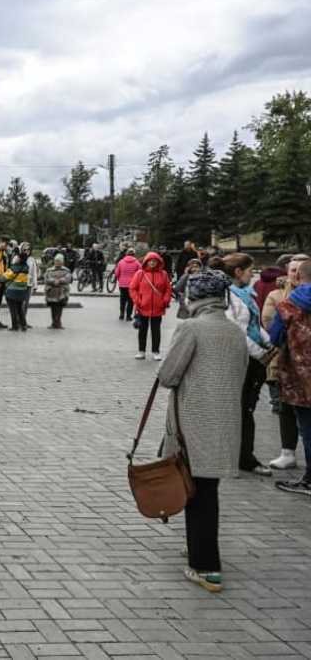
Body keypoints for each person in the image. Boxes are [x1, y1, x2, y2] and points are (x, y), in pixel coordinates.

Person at [157, 269, 248, 593]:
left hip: (193, 424)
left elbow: (167, 375)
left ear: (193, 297)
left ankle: (206, 566)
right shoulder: (236, 332)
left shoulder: (191, 328)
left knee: (197, 493)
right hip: (224, 424)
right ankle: (198, 545)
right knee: (206, 489)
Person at [207, 254, 274, 477]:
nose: (251, 275)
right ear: (238, 272)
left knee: (245, 409)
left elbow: (254, 325)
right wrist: (261, 353)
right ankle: (242, 457)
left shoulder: (245, 295)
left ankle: (240, 455)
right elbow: (235, 331)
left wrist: (268, 342)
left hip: (252, 359)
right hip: (240, 361)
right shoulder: (229, 296)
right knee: (242, 410)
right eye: (249, 271)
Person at [270, 258, 311, 496]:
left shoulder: (288, 305)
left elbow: (275, 337)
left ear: (296, 278)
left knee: (307, 426)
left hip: (300, 376)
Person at [130, 251, 173, 360]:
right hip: (143, 307)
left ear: (158, 262)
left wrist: (165, 300)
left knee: (156, 330)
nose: (152, 263)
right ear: (146, 262)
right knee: (142, 330)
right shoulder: (140, 274)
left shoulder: (163, 274)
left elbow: (168, 289)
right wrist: (138, 300)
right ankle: (141, 351)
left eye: (154, 261)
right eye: (150, 261)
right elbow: (133, 288)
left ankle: (156, 351)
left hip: (158, 307)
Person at [0, 254, 30, 331]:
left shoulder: (14, 268)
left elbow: (4, 278)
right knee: (20, 309)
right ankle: (24, 325)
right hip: (22, 291)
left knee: (13, 310)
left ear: (19, 259)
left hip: (12, 291)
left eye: (17, 257)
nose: (15, 258)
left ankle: (15, 326)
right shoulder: (26, 268)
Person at [43, 253, 72, 329]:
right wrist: (53, 281)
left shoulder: (66, 270)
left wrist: (60, 281)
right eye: (56, 261)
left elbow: (68, 279)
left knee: (59, 308)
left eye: (59, 261)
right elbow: (46, 278)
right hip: (51, 292)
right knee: (53, 308)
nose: (57, 262)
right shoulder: (49, 270)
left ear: (62, 262)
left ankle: (58, 323)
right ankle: (53, 323)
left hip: (61, 292)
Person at [114, 248, 142, 321]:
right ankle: (128, 316)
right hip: (132, 284)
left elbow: (117, 273)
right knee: (130, 301)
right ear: (134, 254)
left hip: (122, 285)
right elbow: (140, 273)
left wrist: (117, 279)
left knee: (122, 299)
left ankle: (121, 314)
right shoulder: (137, 263)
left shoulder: (121, 262)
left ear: (126, 254)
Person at [19, 242, 38, 328]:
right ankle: (18, 321)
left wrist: (35, 285)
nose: (27, 251)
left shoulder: (32, 260)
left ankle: (23, 322)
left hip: (29, 284)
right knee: (20, 304)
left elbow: (34, 273)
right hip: (19, 284)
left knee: (26, 304)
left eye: (28, 249)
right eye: (25, 249)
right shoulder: (18, 258)